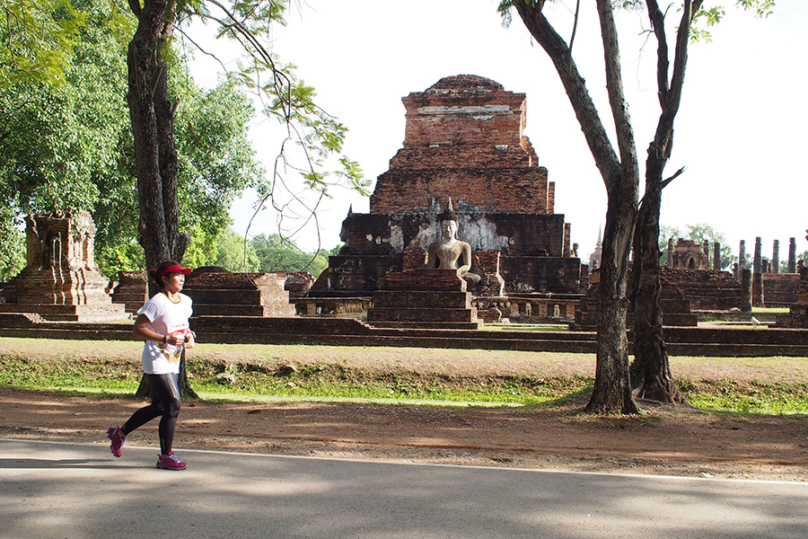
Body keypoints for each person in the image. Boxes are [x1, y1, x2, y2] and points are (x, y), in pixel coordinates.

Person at [107, 259, 195, 470]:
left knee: (159, 407)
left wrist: (190, 336)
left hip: (173, 360)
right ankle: (166, 456)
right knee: (173, 404)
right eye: (177, 274)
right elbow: (138, 329)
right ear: (164, 279)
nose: (182, 278)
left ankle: (119, 434)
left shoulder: (185, 301)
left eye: (183, 274)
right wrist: (165, 339)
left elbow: (185, 326)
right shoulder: (156, 302)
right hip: (156, 359)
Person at [426, 200, 481, 286]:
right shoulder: (434, 246)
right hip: (440, 274)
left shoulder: (464, 245)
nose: (448, 230)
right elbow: (431, 266)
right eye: (445, 226)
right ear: (441, 228)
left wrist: (458, 271)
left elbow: (467, 265)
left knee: (475, 278)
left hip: (457, 273)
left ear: (456, 227)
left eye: (451, 226)